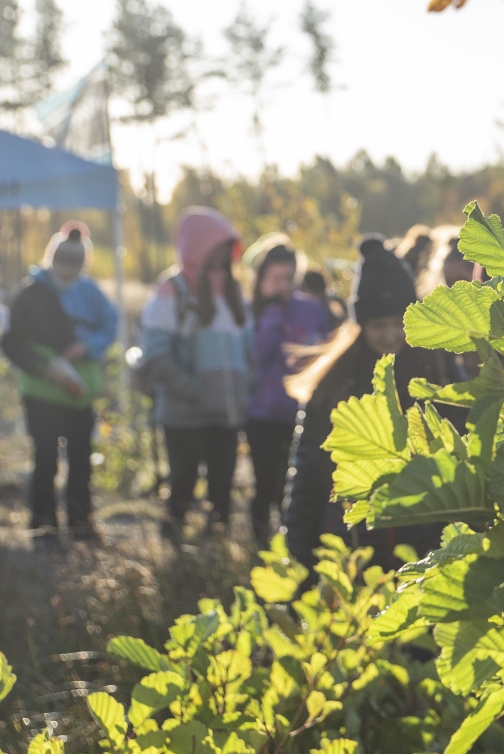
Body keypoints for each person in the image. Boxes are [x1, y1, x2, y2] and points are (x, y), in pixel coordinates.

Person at [283, 236, 463, 565]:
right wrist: (298, 553)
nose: (390, 335)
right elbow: (308, 476)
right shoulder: (334, 383)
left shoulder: (438, 372)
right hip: (353, 542)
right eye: (379, 325)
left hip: (425, 542)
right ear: (360, 326)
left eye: (398, 324)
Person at [141, 208, 254, 541]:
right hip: (185, 413)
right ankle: (173, 548)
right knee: (182, 484)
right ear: (197, 246)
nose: (220, 254)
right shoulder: (173, 290)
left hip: (227, 414)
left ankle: (216, 549)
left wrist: (248, 385)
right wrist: (192, 389)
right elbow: (156, 352)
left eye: (225, 246)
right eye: (214, 246)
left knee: (222, 486)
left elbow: (250, 348)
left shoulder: (234, 291)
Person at [1, 224, 117, 545]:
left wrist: (88, 346)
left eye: (75, 261)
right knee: (45, 460)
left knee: (81, 460)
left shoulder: (91, 292)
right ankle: (43, 527)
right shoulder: (30, 293)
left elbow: (110, 324)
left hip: (81, 392)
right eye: (62, 260)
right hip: (42, 393)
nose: (67, 267)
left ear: (84, 262)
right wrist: (44, 367)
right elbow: (11, 342)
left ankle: (81, 524)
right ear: (51, 257)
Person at [242, 235, 333, 546]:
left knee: (294, 484)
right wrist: (271, 315)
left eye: (288, 278)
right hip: (263, 415)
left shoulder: (311, 309)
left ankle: (292, 545)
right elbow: (257, 352)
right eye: (275, 278)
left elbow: (325, 352)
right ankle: (259, 545)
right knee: (265, 484)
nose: (282, 286)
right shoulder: (252, 311)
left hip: (302, 412)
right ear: (262, 278)